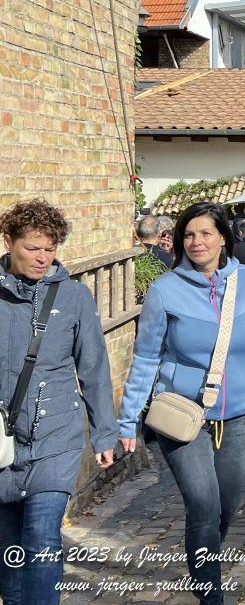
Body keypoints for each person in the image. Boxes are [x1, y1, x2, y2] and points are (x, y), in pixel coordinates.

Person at [118, 202, 245, 605]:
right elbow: (146, 358)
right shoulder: (165, 290)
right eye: (189, 235)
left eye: (205, 233)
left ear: (223, 238)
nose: (197, 242)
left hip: (237, 416)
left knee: (227, 504)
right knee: (203, 501)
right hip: (182, 416)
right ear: (180, 241)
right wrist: (127, 421)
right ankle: (210, 594)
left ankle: (205, 559)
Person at [0, 199, 117, 605]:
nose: (42, 257)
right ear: (9, 241)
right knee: (9, 548)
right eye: (33, 247)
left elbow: (95, 369)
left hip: (56, 437)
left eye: (50, 249)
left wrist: (105, 434)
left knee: (42, 536)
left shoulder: (73, 297)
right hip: (2, 442)